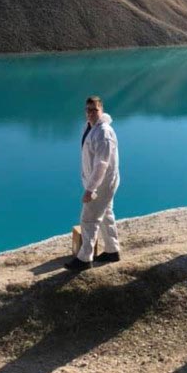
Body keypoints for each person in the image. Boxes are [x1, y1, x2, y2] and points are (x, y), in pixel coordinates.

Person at [65, 96, 121, 272]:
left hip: (101, 184)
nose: (90, 113)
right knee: (106, 214)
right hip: (98, 182)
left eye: (94, 110)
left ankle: (84, 259)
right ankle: (112, 250)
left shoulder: (103, 132)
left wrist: (90, 189)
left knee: (88, 219)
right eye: (88, 110)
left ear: (101, 110)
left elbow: (102, 164)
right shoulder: (89, 127)